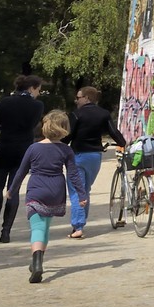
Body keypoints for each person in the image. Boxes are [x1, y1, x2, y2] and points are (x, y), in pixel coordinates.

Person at [7, 109, 87, 284]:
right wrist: (82, 194)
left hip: (37, 189)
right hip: (55, 190)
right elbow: (73, 174)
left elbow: (21, 172)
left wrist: (12, 190)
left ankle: (37, 263)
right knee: (45, 227)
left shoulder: (33, 148)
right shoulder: (66, 150)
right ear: (64, 128)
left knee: (37, 227)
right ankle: (38, 261)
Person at [0, 74, 44, 242]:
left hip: (4, 146)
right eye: (38, 90)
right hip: (23, 149)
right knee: (13, 189)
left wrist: (7, 126)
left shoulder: (6, 102)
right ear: (32, 88)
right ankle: (6, 231)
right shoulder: (37, 105)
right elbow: (32, 125)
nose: (38, 93)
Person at [65, 86, 126, 238]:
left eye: (78, 97)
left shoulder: (76, 114)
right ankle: (81, 222)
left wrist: (56, 146)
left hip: (78, 156)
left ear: (87, 98)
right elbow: (113, 131)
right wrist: (123, 143)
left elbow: (69, 135)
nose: (76, 101)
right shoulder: (104, 113)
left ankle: (78, 226)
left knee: (76, 190)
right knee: (85, 189)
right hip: (94, 157)